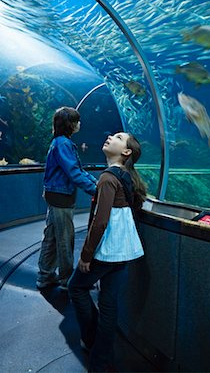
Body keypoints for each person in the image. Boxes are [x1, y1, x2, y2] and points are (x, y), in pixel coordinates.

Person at [68, 132, 146, 373]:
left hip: (107, 250)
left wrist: (86, 255)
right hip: (125, 250)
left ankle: (91, 341)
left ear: (126, 152)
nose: (110, 136)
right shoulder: (126, 177)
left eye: (118, 137)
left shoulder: (107, 178)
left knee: (76, 287)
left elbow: (100, 222)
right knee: (109, 303)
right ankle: (101, 360)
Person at [36, 107, 97, 290]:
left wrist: (96, 183)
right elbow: (73, 172)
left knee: (52, 236)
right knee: (65, 238)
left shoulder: (62, 142)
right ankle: (67, 279)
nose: (80, 123)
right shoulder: (63, 144)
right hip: (60, 197)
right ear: (70, 123)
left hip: (56, 195)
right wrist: (95, 190)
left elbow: (78, 169)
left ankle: (45, 276)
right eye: (77, 120)